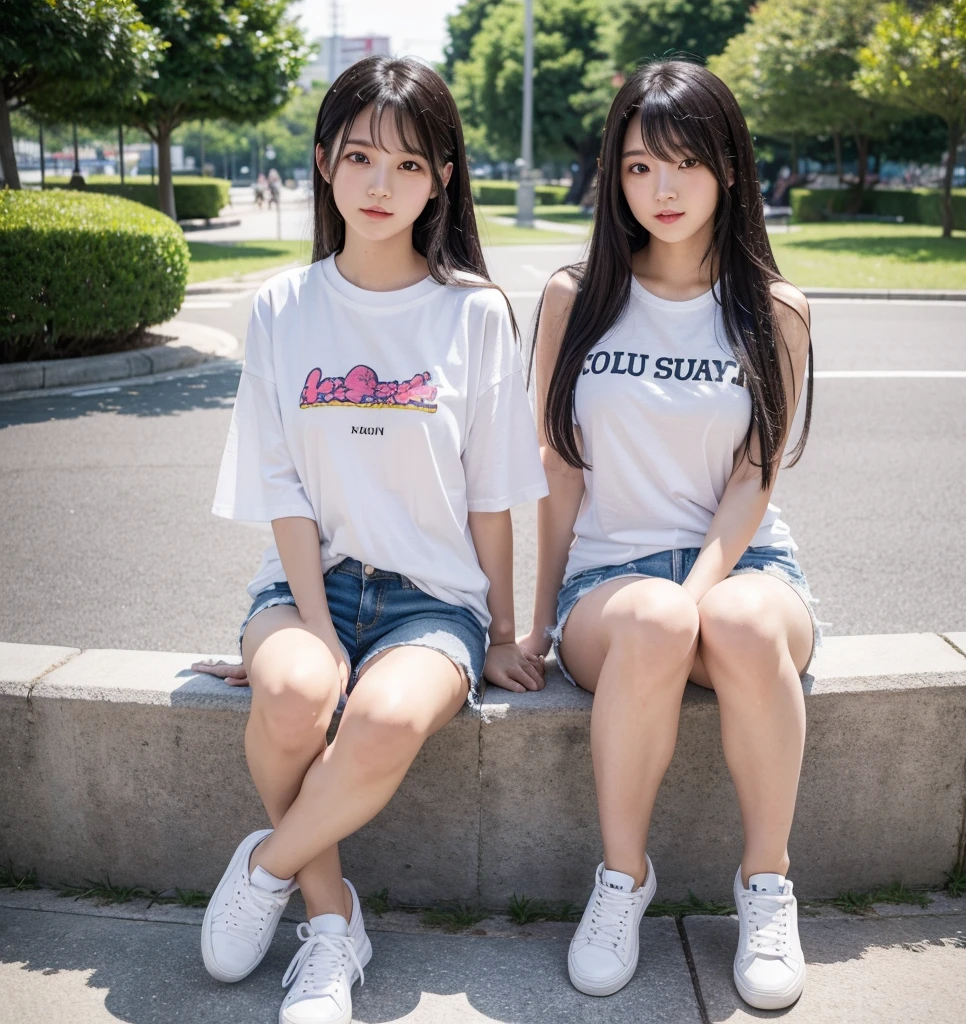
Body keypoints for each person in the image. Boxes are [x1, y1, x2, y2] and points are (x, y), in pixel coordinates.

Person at [194, 55, 548, 1024]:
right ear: (321, 163)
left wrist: (505, 630)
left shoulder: (473, 311)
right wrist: (315, 628)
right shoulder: (280, 305)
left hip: (434, 601)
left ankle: (267, 866)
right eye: (358, 157)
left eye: (407, 163)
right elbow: (281, 485)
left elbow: (494, 493)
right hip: (309, 582)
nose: (380, 183)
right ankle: (328, 920)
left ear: (440, 177)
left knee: (384, 718)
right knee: (299, 689)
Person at [519, 59, 819, 1011]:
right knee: (653, 619)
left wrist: (701, 588)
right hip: (610, 585)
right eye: (641, 167)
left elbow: (752, 480)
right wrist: (530, 625)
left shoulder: (774, 311)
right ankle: (621, 881)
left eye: (686, 163)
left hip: (746, 566)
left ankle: (765, 885)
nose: (664, 189)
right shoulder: (574, 299)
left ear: (729, 168)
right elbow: (557, 472)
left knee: (729, 622)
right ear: (615, 176)